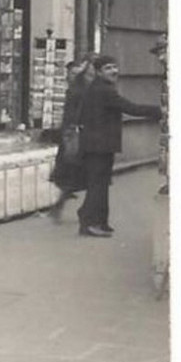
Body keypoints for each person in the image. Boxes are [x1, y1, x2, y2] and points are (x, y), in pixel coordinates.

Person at [71, 53, 162, 238]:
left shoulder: (98, 87)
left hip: (98, 144)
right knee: (98, 184)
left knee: (101, 183)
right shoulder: (104, 90)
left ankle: (99, 221)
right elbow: (131, 108)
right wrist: (160, 111)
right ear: (98, 72)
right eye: (108, 68)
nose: (114, 71)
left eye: (114, 67)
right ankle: (90, 222)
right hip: (99, 145)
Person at [47, 56, 92, 223]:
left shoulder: (78, 89)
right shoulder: (80, 90)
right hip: (76, 137)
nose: (71, 76)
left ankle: (61, 204)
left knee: (73, 175)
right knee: (77, 174)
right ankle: (63, 205)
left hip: (72, 136)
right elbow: (72, 115)